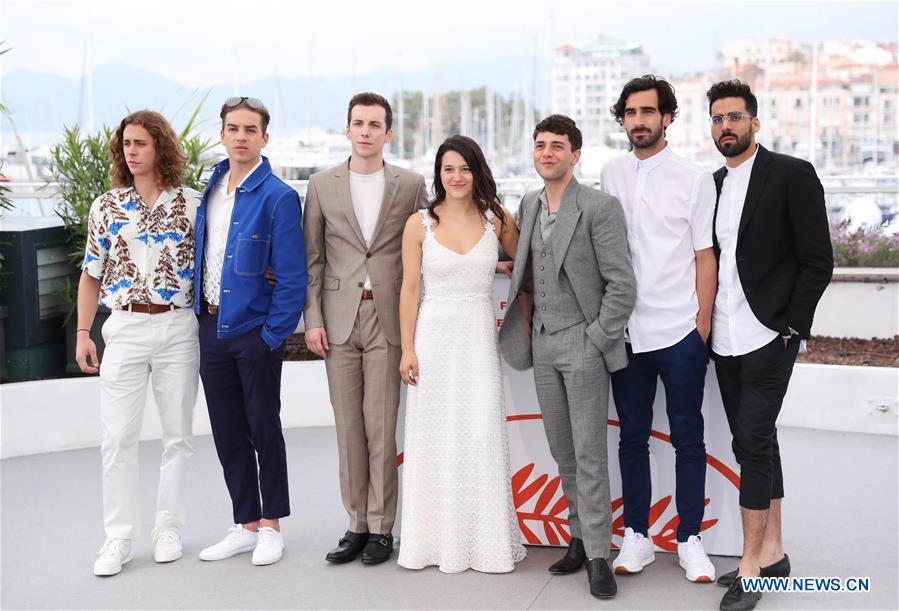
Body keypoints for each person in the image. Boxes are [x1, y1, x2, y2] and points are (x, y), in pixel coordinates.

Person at [705, 80, 833, 611]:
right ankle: (774, 552)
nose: (725, 126)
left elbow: (818, 259)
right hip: (723, 336)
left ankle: (751, 567)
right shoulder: (711, 184)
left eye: (734, 117)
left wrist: (792, 328)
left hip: (768, 335)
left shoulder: (791, 174)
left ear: (754, 122)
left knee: (752, 444)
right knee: (758, 440)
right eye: (717, 119)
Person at [498, 115, 636, 598]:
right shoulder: (529, 203)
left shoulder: (600, 207)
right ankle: (578, 538)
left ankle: (599, 554)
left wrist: (596, 338)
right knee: (562, 451)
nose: (547, 153)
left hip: (583, 342)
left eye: (558, 146)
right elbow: (531, 268)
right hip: (542, 343)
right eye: (541, 145)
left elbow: (622, 284)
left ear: (575, 155)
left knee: (589, 452)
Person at [303, 92, 428, 565]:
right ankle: (355, 523)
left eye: (375, 124)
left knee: (381, 426)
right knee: (348, 428)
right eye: (359, 123)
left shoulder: (411, 185)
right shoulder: (321, 185)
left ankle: (381, 527)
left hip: (389, 316)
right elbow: (313, 260)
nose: (366, 131)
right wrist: (313, 319)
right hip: (338, 319)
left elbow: (430, 245)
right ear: (348, 129)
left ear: (388, 133)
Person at [601, 75, 718, 582]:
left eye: (648, 111)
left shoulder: (695, 179)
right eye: (630, 112)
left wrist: (701, 326)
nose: (639, 121)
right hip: (626, 332)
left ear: (667, 116)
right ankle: (637, 536)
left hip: (679, 330)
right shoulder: (610, 173)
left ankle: (690, 539)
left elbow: (705, 255)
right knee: (631, 438)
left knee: (688, 437)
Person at [76, 110, 200, 576]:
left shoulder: (193, 204)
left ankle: (168, 528)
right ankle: (119, 537)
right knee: (117, 438)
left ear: (160, 148)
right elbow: (90, 275)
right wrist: (83, 333)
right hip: (124, 328)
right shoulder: (106, 206)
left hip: (178, 328)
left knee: (177, 437)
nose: (131, 151)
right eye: (126, 143)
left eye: (141, 143)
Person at [396, 135, 525, 573]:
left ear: (477, 171)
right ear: (438, 174)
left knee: (481, 433)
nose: (456, 177)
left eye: (465, 169)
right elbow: (410, 289)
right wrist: (407, 349)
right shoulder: (419, 224)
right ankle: (434, 544)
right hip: (433, 339)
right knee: (435, 439)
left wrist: (497, 264)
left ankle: (485, 544)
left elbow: (529, 264)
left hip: (478, 338)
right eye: (448, 169)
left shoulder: (497, 219)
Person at [195, 97, 307, 567]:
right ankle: (246, 524)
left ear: (264, 137)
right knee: (227, 430)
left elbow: (294, 278)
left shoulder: (279, 196)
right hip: (210, 326)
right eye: (233, 128)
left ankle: (272, 526)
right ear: (222, 134)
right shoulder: (210, 189)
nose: (241, 136)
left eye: (250, 129)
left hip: (254, 331)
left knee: (264, 429)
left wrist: (271, 337)